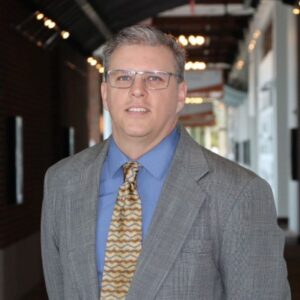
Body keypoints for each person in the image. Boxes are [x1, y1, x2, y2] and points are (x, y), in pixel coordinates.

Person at [41, 25, 290, 300]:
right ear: (105, 93)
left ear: (181, 94)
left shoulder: (239, 193)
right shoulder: (61, 182)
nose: (137, 90)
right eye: (123, 77)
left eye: (155, 79)